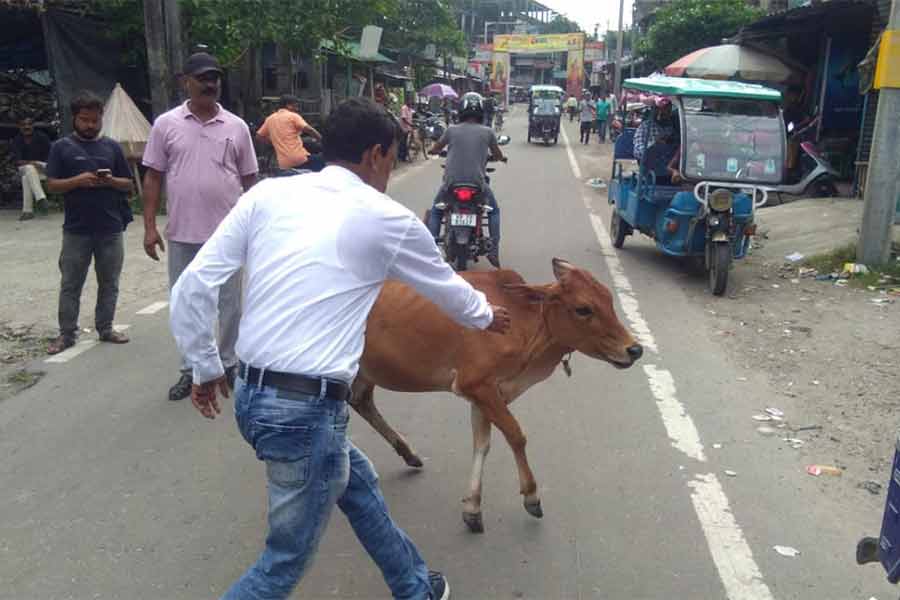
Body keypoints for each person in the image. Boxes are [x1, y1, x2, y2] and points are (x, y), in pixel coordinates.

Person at [169, 96, 512, 600]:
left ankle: (415, 587)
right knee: (280, 566)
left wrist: (203, 368)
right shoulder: (386, 217)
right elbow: (452, 292)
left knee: (358, 482)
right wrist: (489, 315)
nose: (391, 170)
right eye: (392, 157)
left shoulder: (267, 196)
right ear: (376, 154)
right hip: (305, 412)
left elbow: (194, 286)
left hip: (252, 396)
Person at [142, 51, 258, 401]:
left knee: (230, 305)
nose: (211, 84)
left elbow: (251, 180)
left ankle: (228, 363)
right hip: (182, 233)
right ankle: (191, 370)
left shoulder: (236, 127)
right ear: (186, 82)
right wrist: (149, 226)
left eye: (215, 78)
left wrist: (259, 227)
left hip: (227, 236)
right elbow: (152, 176)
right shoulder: (166, 124)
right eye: (203, 78)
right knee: (187, 305)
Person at [45, 91, 134, 355]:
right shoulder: (60, 147)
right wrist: (78, 181)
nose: (90, 125)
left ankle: (105, 328)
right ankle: (66, 334)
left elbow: (129, 184)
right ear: (74, 118)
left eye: (95, 120)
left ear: (101, 118)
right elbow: (51, 185)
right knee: (71, 283)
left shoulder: (112, 147)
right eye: (84, 120)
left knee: (110, 282)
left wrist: (110, 181)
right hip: (76, 230)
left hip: (110, 227)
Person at [426, 92, 506, 267]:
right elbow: (498, 154)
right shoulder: (488, 132)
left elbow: (436, 148)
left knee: (436, 211)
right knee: (494, 211)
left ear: (460, 110)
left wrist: (433, 151)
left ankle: (430, 253)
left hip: (451, 185)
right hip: (477, 185)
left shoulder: (451, 130)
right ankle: (494, 250)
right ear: (481, 112)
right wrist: (501, 158)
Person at [256, 94, 324, 173]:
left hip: (283, 164)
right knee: (325, 160)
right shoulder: (293, 116)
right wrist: (323, 141)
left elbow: (258, 136)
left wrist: (273, 142)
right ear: (288, 105)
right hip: (299, 160)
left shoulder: (270, 119)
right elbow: (310, 130)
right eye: (296, 106)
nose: (297, 109)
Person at [11, 117, 52, 221]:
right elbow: (18, 161)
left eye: (29, 124)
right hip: (25, 167)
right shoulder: (17, 140)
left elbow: (51, 157)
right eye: (23, 125)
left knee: (26, 178)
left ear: (33, 126)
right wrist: (32, 163)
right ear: (19, 127)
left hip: (42, 168)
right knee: (29, 169)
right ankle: (41, 198)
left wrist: (40, 164)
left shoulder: (42, 137)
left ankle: (27, 211)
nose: (26, 127)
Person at [633, 97, 677, 163]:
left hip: (668, 160)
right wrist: (654, 146)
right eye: (662, 110)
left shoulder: (670, 127)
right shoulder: (646, 126)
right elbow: (639, 151)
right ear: (656, 110)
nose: (665, 114)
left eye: (668, 111)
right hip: (649, 161)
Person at [398, 96, 415, 162]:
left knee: (406, 142)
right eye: (409, 101)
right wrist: (410, 124)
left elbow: (411, 117)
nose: (410, 102)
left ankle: (404, 156)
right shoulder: (404, 108)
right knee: (403, 143)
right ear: (406, 102)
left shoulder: (410, 109)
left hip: (408, 128)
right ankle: (402, 157)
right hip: (403, 128)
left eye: (411, 101)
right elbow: (404, 118)